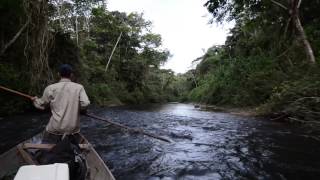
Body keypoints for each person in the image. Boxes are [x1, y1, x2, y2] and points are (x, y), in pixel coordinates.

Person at [32, 64, 90, 143]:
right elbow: (85, 104)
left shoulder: (51, 88)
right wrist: (79, 109)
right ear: (71, 75)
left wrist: (35, 100)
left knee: (46, 138)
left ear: (58, 74)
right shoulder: (79, 87)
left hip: (55, 128)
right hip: (73, 129)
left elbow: (41, 105)